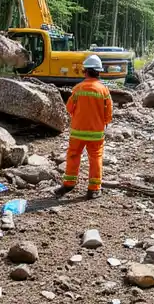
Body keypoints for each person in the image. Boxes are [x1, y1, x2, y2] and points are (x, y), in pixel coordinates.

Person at [55, 55, 113, 199]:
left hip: (77, 132)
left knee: (73, 155)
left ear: (85, 71)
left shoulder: (77, 88)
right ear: (99, 72)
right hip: (96, 132)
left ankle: (68, 184)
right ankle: (93, 189)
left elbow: (68, 108)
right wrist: (104, 123)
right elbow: (109, 112)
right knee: (96, 158)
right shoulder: (103, 90)